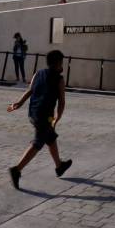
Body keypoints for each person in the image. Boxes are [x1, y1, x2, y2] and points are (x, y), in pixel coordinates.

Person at [6, 49, 72, 188]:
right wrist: (56, 118)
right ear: (59, 63)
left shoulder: (38, 73)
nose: (62, 66)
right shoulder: (59, 80)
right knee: (38, 142)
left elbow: (30, 90)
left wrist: (19, 103)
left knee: (51, 137)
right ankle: (16, 170)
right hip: (45, 116)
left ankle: (59, 166)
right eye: (62, 63)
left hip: (33, 114)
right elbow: (62, 102)